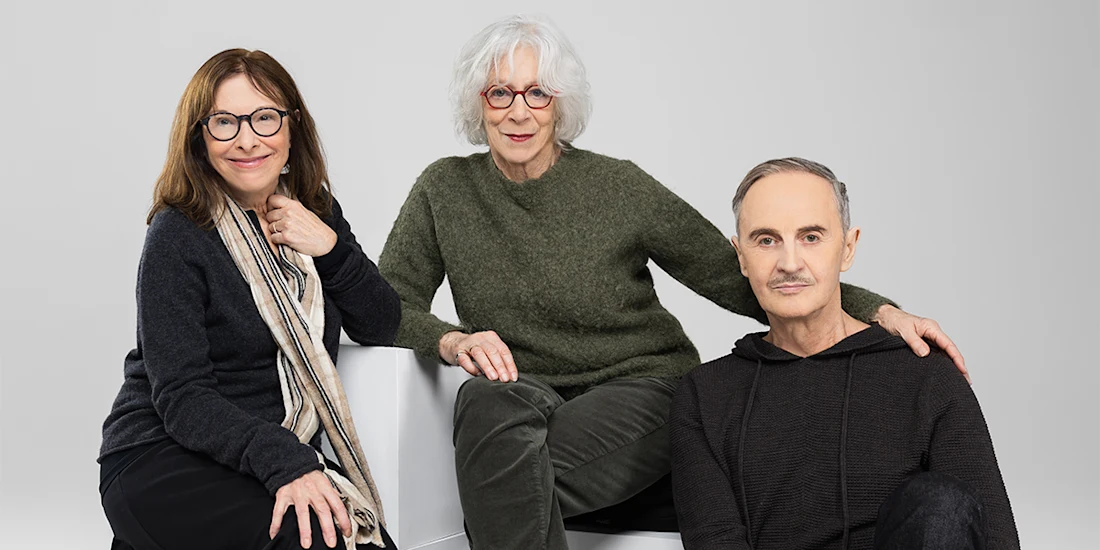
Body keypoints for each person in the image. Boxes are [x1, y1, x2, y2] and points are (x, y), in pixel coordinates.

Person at [378, 15, 967, 550]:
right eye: (499, 92)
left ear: (561, 104)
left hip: (644, 389)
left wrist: (881, 311)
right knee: (482, 400)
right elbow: (388, 303)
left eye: (538, 92)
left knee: (498, 478)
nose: (518, 110)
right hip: (525, 392)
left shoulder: (618, 187)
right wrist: (454, 341)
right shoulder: (443, 189)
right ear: (477, 103)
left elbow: (739, 278)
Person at [98, 49, 400, 550]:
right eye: (224, 122)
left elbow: (381, 325)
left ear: (291, 128)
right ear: (200, 137)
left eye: (264, 117)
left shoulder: (316, 208)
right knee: (317, 542)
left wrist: (328, 246)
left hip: (263, 452)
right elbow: (182, 397)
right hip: (162, 455)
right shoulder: (179, 232)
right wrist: (289, 464)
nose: (247, 139)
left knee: (365, 541)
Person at [670, 158, 1019, 550]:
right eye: (766, 240)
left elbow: (994, 539)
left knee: (941, 503)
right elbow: (714, 540)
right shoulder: (704, 395)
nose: (789, 263)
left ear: (848, 248)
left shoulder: (926, 377)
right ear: (741, 257)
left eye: (811, 237)